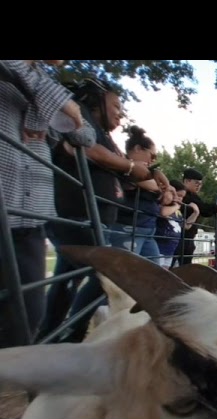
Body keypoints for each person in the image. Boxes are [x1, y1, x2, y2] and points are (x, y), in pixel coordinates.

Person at [43, 78, 154, 342]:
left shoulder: (106, 135)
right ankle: (70, 336)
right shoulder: (79, 116)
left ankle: (51, 335)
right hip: (75, 215)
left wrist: (149, 174)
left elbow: (124, 171)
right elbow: (88, 149)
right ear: (96, 100)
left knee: (65, 282)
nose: (120, 113)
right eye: (116, 105)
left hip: (91, 218)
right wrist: (129, 167)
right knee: (109, 275)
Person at [0, 60, 94, 347]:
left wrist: (58, 114)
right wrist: (60, 105)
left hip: (31, 217)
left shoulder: (40, 83)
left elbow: (84, 134)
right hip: (7, 202)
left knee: (29, 315)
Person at [110, 126, 165, 263]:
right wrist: (162, 187)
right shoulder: (123, 165)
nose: (153, 160)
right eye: (152, 155)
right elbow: (153, 185)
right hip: (128, 228)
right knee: (123, 275)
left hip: (145, 230)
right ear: (138, 149)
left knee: (155, 273)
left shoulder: (131, 166)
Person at [173, 168, 217, 265]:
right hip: (178, 236)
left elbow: (203, 209)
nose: (199, 186)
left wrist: (215, 208)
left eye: (200, 184)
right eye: (196, 183)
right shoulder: (182, 194)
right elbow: (202, 207)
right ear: (187, 181)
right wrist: (216, 208)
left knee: (185, 266)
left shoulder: (194, 196)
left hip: (188, 236)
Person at [155, 180, 199, 268]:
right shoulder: (166, 206)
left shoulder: (177, 211)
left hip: (170, 250)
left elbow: (186, 226)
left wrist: (195, 213)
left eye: (182, 197)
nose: (180, 199)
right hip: (160, 248)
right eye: (178, 195)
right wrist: (176, 206)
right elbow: (163, 212)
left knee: (164, 274)